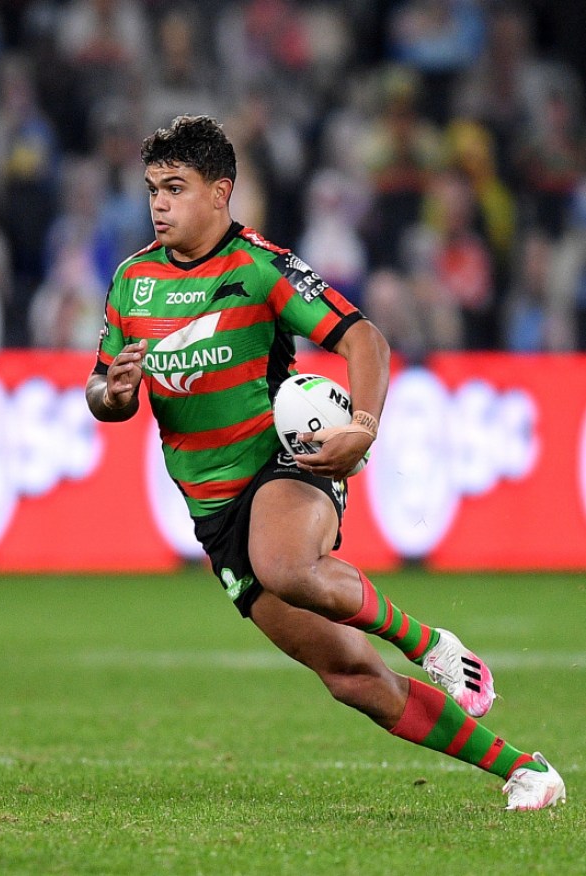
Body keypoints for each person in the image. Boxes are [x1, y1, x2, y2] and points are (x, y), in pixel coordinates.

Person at [86, 114, 565, 811]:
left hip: (286, 463)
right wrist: (114, 391)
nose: (158, 203)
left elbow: (362, 338)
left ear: (219, 193)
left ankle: (428, 642)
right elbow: (102, 390)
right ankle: (526, 770)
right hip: (212, 511)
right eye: (152, 188)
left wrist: (361, 428)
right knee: (350, 676)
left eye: (175, 188)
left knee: (284, 562)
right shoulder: (132, 281)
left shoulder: (260, 267)